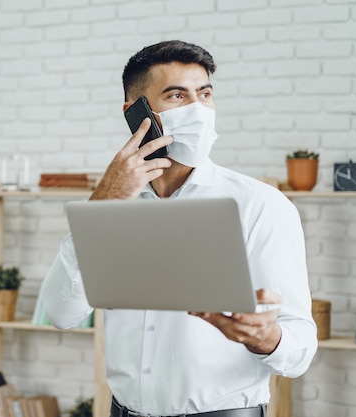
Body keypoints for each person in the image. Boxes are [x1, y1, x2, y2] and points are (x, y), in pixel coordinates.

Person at [40, 40, 317, 417]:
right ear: (136, 112)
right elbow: (60, 313)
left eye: (204, 94)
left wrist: (269, 338)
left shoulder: (260, 205)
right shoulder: (112, 205)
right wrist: (103, 207)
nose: (198, 110)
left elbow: (300, 349)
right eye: (176, 96)